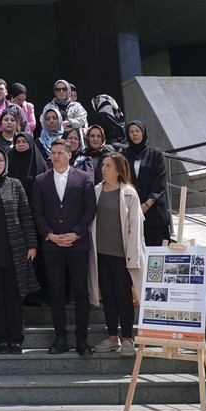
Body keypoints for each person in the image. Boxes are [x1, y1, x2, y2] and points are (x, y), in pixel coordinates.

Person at [32, 138, 97, 356]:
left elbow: (90, 210)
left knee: (80, 293)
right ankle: (60, 338)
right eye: (53, 152)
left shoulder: (84, 178)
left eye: (61, 152)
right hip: (52, 245)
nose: (56, 156)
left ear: (69, 154)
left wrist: (76, 233)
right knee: (57, 293)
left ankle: (82, 339)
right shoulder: (41, 180)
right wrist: (49, 234)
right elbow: (37, 212)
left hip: (77, 245)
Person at [0, 147, 39, 354]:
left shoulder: (15, 184)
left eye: (0, 160)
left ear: (5, 163)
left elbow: (26, 215)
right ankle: (1, 339)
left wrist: (32, 244)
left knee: (14, 296)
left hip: (16, 249)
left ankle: (16, 339)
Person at [88, 151, 144, 356]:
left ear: (119, 169)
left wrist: (134, 256)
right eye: (103, 165)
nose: (103, 168)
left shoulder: (129, 193)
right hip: (101, 254)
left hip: (122, 256)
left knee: (123, 297)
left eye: (108, 165)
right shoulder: (96, 190)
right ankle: (112, 338)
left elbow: (136, 227)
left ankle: (128, 339)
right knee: (108, 297)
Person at [123, 120, 172, 246]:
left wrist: (147, 203)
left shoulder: (155, 154)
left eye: (137, 131)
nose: (135, 134)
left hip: (155, 212)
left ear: (143, 132)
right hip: (133, 212)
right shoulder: (124, 156)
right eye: (131, 132)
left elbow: (160, 180)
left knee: (158, 255)